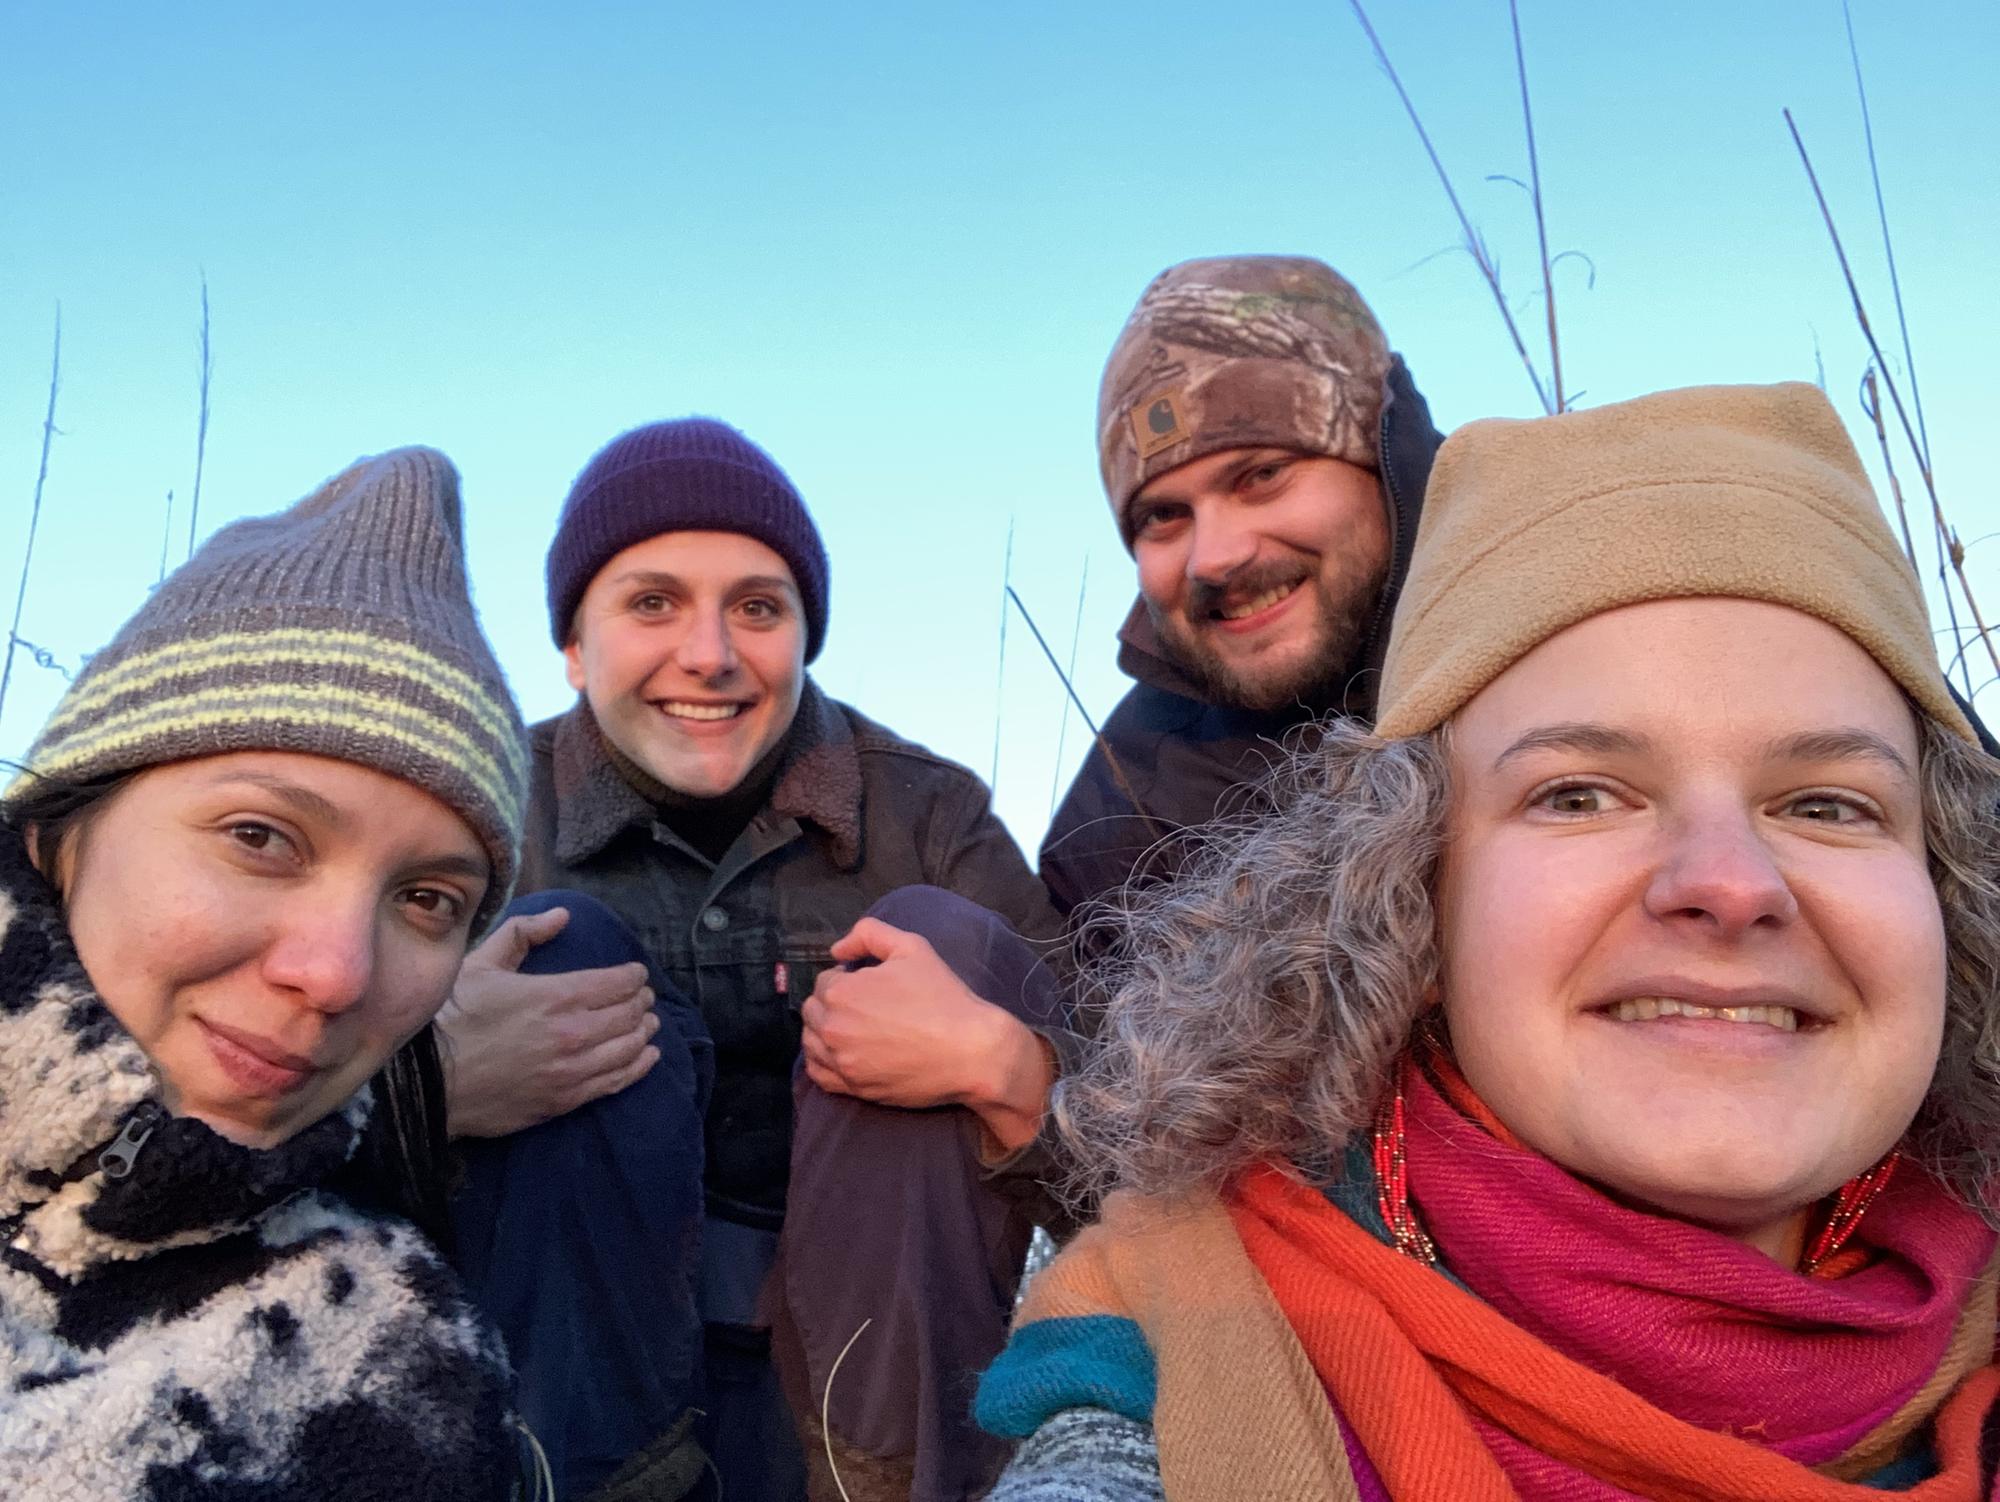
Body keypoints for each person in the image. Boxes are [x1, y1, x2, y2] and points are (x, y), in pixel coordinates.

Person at [977, 382, 2000, 1497]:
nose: (1728, 882)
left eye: (1828, 803)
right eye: (1579, 794)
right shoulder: (1165, 1345)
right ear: (1408, 901)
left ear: (1949, 899)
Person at [441, 417, 1071, 1502]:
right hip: (569, 1383)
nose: (711, 654)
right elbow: (286, 1089)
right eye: (652, 602)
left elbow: (1136, 1155)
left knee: (945, 939)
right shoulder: (477, 815)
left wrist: (1005, 1068)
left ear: (802, 634)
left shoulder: (929, 813)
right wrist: (431, 1083)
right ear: (574, 646)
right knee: (556, 947)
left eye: (756, 606)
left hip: (868, 1396)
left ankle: (894, 1481)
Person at [0, 448, 530, 1499]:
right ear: (64, 827)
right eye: (262, 835)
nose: (335, 973)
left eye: (428, 900)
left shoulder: (378, 1364)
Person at [1041, 252, 1444, 916]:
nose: (1215, 559)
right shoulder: (1122, 808)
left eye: (1261, 476)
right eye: (1164, 516)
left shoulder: (1572, 608)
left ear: (1382, 456)